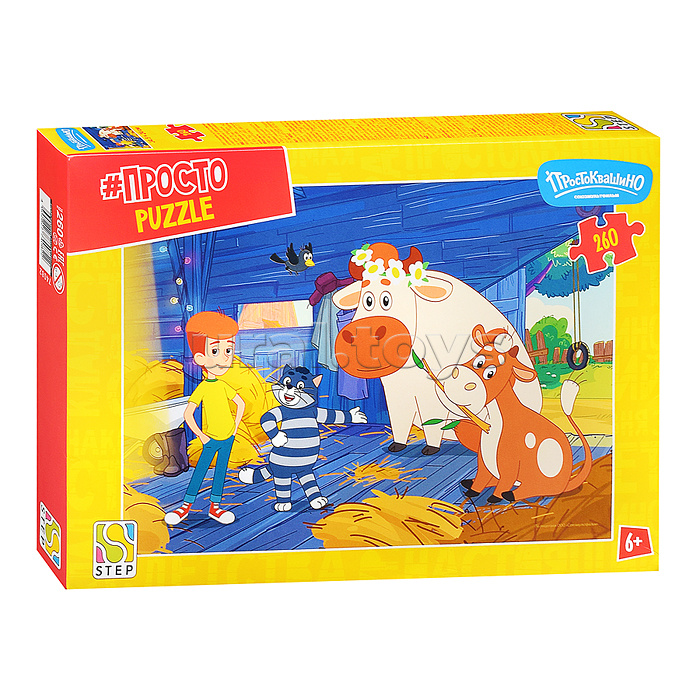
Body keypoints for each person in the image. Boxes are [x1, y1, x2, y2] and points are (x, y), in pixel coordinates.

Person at [164, 311, 245, 526]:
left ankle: (214, 507)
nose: (225, 357)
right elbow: (188, 414)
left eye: (229, 350)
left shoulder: (224, 385)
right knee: (200, 471)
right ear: (200, 358)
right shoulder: (203, 388)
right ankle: (185, 507)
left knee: (221, 471)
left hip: (227, 436)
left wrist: (235, 427)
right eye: (216, 350)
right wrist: (201, 436)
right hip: (211, 438)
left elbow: (241, 404)